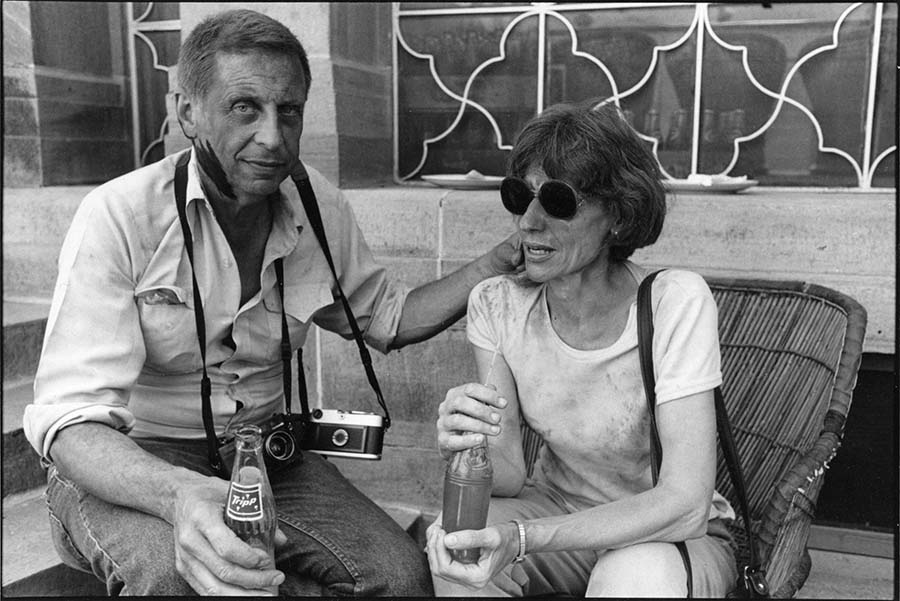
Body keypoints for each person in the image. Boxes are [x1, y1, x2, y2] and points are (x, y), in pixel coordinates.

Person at [23, 9, 521, 597]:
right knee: (180, 579)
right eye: (244, 108)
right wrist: (179, 492)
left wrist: (503, 259)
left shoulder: (318, 206)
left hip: (263, 452)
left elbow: (385, 318)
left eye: (288, 111)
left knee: (400, 575)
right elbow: (70, 423)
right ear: (186, 112)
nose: (272, 137)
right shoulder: (121, 215)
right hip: (132, 462)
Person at [425, 99, 739, 597]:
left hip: (662, 530)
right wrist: (467, 444)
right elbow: (507, 475)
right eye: (519, 196)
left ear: (617, 214)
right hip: (556, 510)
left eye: (558, 200)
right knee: (458, 542)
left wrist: (525, 538)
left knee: (637, 577)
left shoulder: (673, 302)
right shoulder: (499, 304)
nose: (528, 222)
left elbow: (686, 503)